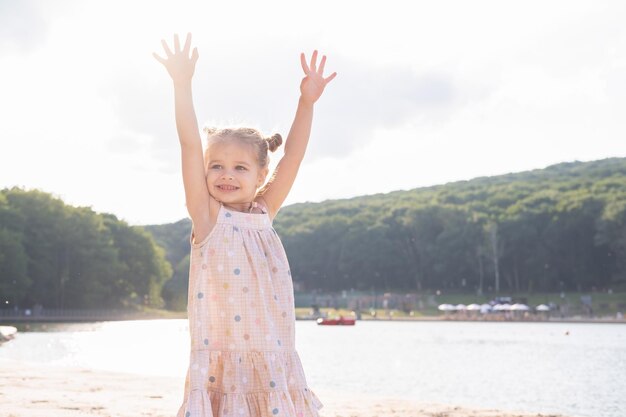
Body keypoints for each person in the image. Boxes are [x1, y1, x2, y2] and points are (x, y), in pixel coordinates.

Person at [154, 33, 336, 417]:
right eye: (216, 166)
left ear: (260, 173)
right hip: (220, 358)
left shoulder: (264, 212)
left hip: (272, 354)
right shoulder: (206, 216)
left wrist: (306, 102)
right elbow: (189, 144)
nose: (226, 175)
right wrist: (182, 85)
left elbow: (294, 156)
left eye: (240, 168)